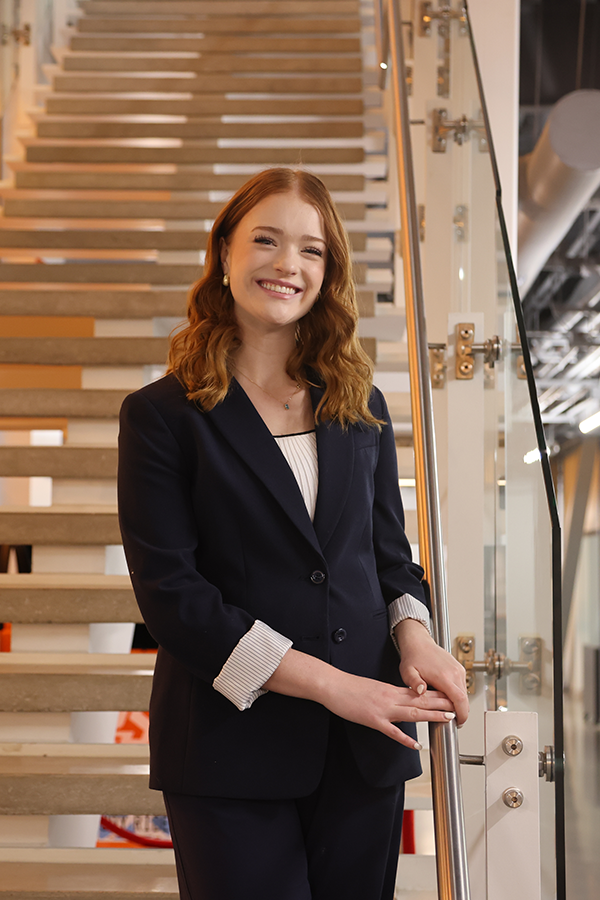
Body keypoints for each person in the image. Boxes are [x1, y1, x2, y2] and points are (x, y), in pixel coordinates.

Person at [117, 168, 468, 900]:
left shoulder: (357, 399)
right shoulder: (161, 416)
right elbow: (175, 599)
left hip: (363, 749)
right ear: (224, 253)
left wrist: (417, 638)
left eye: (310, 250)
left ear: (328, 271)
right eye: (266, 241)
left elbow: (389, 561)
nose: (288, 265)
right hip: (228, 748)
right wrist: (336, 687)